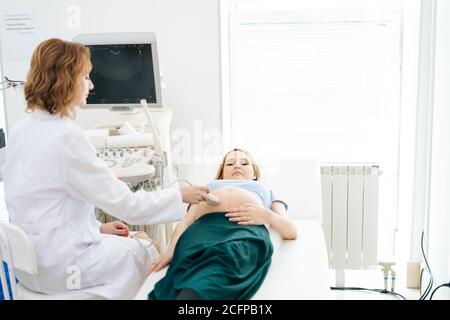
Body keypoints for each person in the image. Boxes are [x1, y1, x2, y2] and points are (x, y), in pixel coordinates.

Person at [1, 38, 209, 299]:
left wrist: (96, 227)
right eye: (86, 76)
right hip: (64, 265)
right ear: (66, 80)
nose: (91, 85)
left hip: (31, 265)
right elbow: (130, 207)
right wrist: (180, 196)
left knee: (131, 239)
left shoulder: (22, 129)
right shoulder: (68, 137)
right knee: (148, 248)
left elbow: (41, 203)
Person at [148, 148, 297, 300]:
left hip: (244, 230)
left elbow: (291, 231)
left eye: (244, 163)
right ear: (222, 173)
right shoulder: (208, 187)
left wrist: (267, 215)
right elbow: (186, 222)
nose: (237, 166)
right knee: (191, 260)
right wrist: (170, 251)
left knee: (229, 257)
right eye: (230, 163)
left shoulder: (266, 191)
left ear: (254, 174)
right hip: (202, 230)